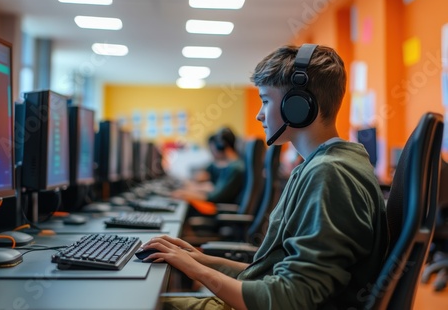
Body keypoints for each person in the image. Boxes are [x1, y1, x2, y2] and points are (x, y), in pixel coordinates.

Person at [140, 44, 389, 309]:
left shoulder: (330, 173)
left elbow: (290, 298)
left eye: (266, 100)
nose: (259, 114)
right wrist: (197, 258)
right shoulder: (323, 165)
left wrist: (197, 271)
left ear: (299, 106)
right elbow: (271, 273)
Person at [171, 127, 245, 205]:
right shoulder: (231, 165)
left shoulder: (235, 168)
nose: (212, 152)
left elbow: (216, 197)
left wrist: (187, 194)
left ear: (221, 146)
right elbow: (215, 189)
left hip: (220, 211)